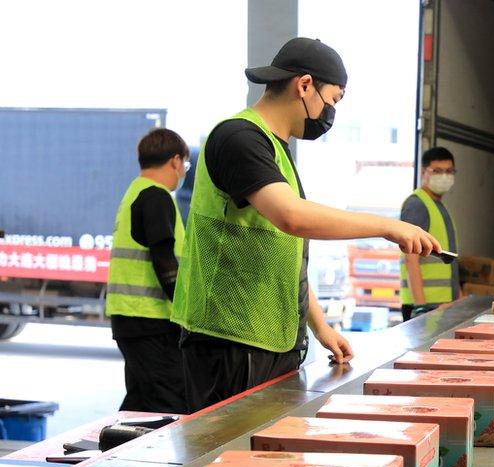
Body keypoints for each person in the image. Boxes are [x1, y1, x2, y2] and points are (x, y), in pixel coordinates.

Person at [171, 37, 441, 412]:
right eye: (333, 99)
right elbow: (292, 217)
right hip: (230, 338)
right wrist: (386, 226)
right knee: (232, 459)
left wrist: (320, 326)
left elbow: (282, 251)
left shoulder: (274, 150)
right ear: (304, 85)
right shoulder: (238, 138)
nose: (331, 112)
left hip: (269, 338)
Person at [106, 128, 190, 414]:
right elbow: (164, 261)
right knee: (168, 401)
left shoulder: (135, 192)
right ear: (175, 161)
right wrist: (185, 310)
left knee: (142, 400)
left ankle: (106, 454)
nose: (183, 173)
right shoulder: (156, 196)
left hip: (131, 317)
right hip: (150, 318)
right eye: (185, 166)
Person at [400, 147, 461, 320]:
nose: (444, 176)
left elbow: (449, 263)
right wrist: (420, 306)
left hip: (442, 304)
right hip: (425, 307)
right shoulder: (417, 205)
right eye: (437, 171)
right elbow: (410, 258)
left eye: (449, 171)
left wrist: (459, 298)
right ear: (423, 172)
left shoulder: (438, 206)